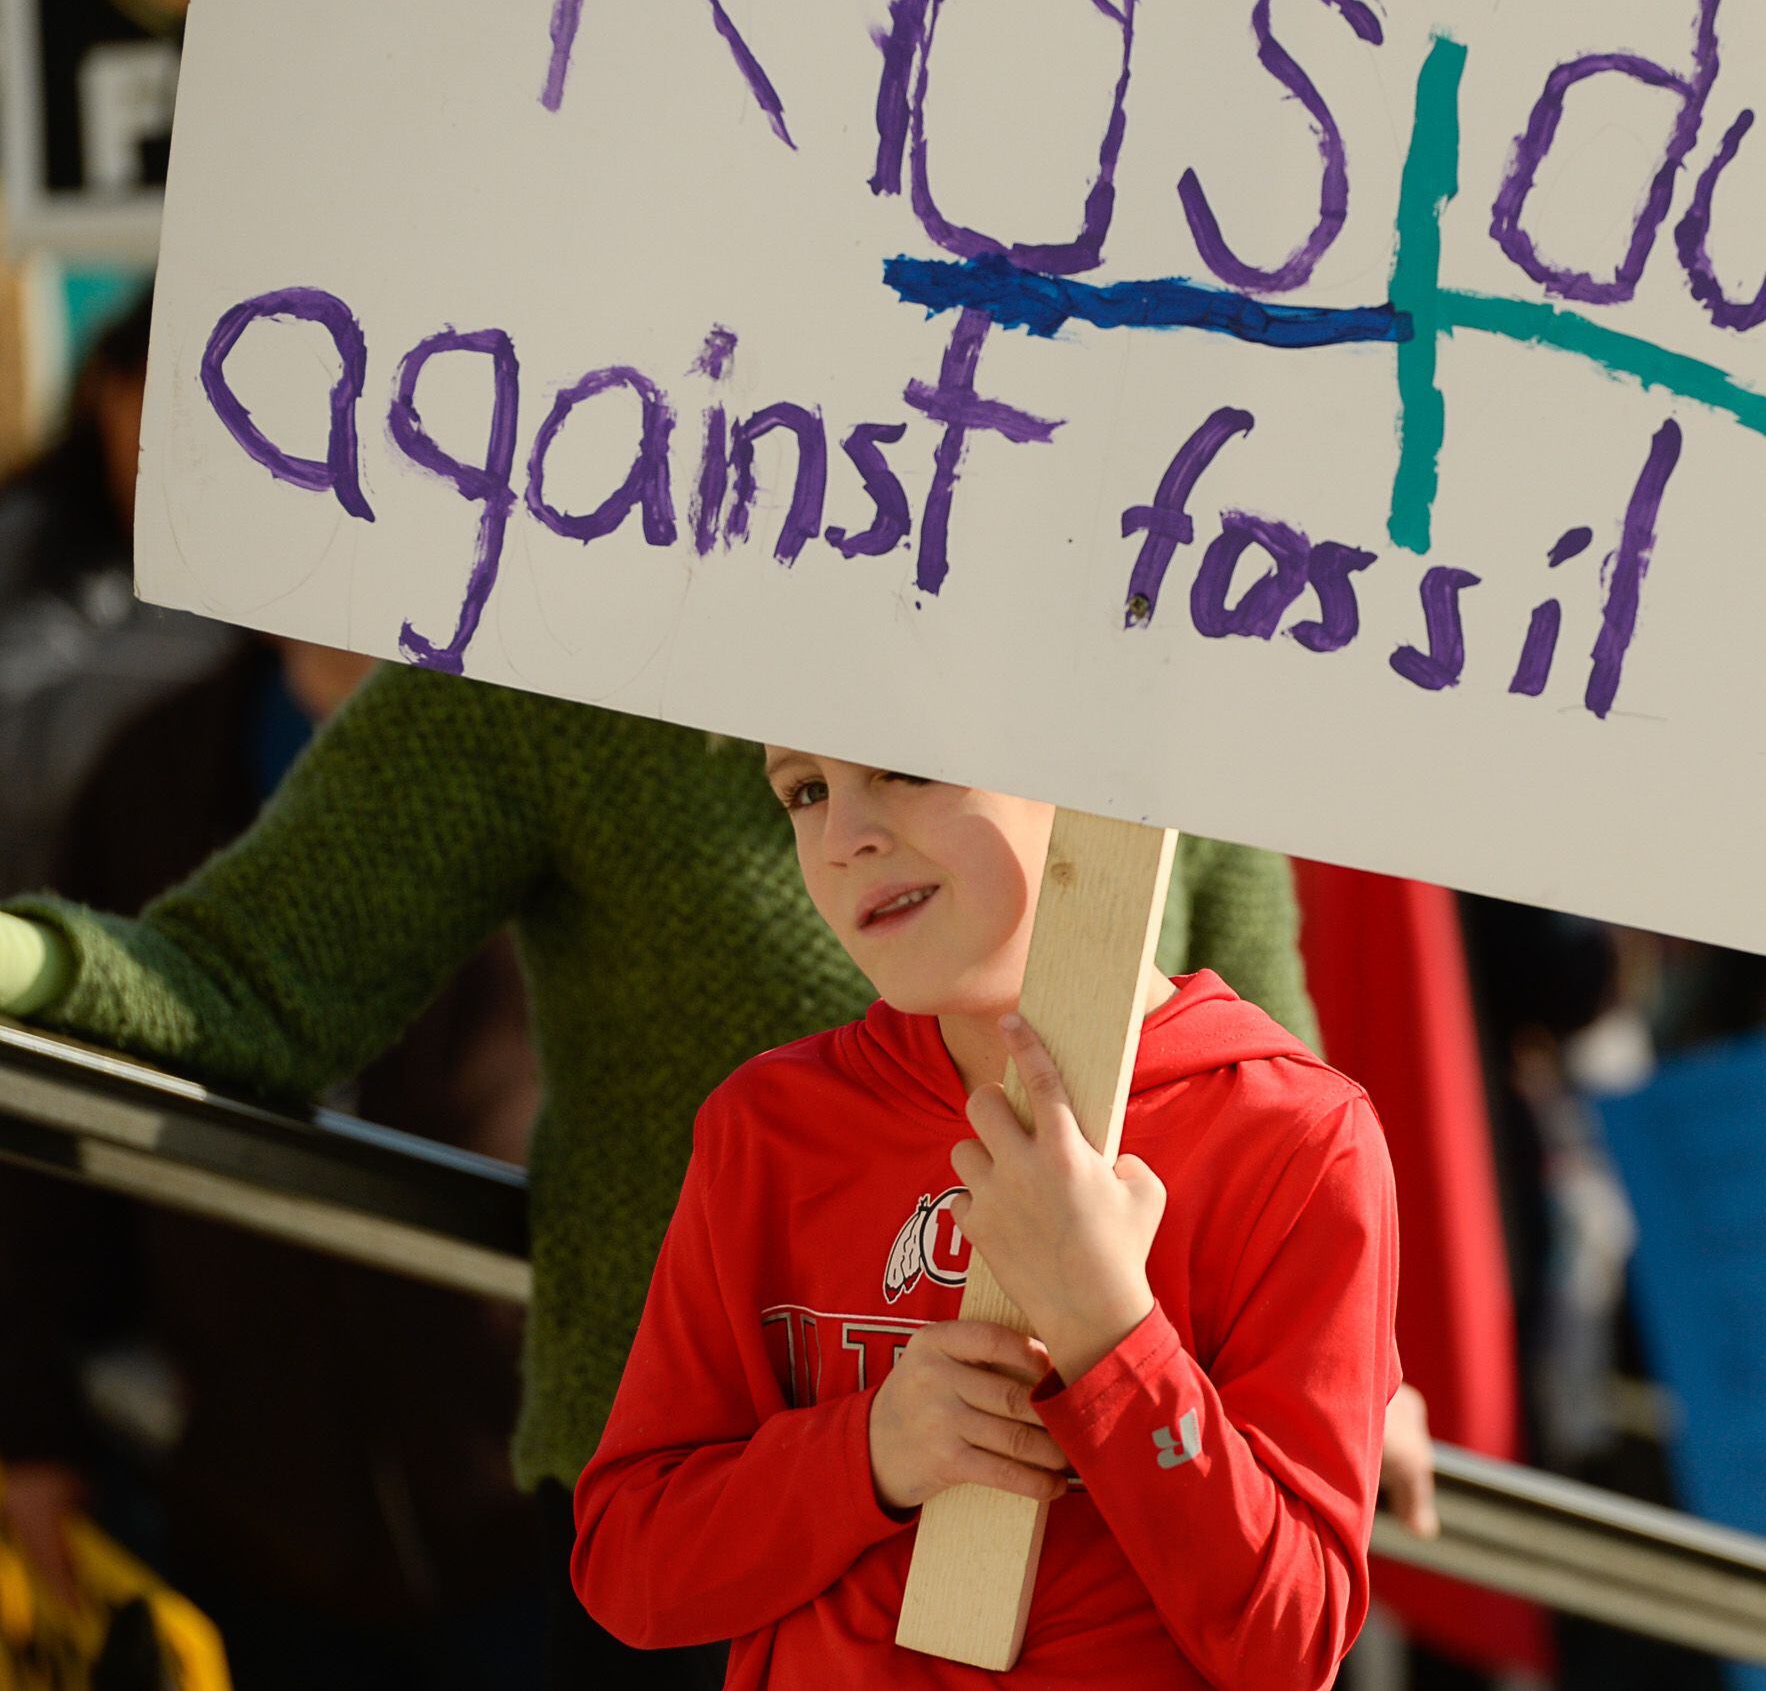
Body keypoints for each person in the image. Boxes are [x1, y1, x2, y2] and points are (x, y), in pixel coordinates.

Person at [0, 661, 1319, 1688]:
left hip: (1117, 1561)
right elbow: (254, 980)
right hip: (706, 1557)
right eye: (800, 792)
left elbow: (1262, 1092)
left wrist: (1340, 1381)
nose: (845, 833)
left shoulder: (1138, 655)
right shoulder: (567, 661)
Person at [574, 754, 1399, 1688]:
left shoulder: (1296, 1138)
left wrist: (1115, 1339)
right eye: (806, 792)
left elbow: (1290, 1644)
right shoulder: (768, 1126)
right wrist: (872, 1452)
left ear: (1086, 773)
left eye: (905, 769)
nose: (846, 839)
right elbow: (629, 1568)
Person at [0, 625, 545, 1685]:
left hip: (544, 1510)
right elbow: (51, 1143)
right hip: (254, 1518)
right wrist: (28, 1425)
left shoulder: (574, 755)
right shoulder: (162, 766)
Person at [0, 288, 239, 892]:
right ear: (108, 391)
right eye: (167, 398)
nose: (187, 441)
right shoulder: (27, 534)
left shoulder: (266, 592)